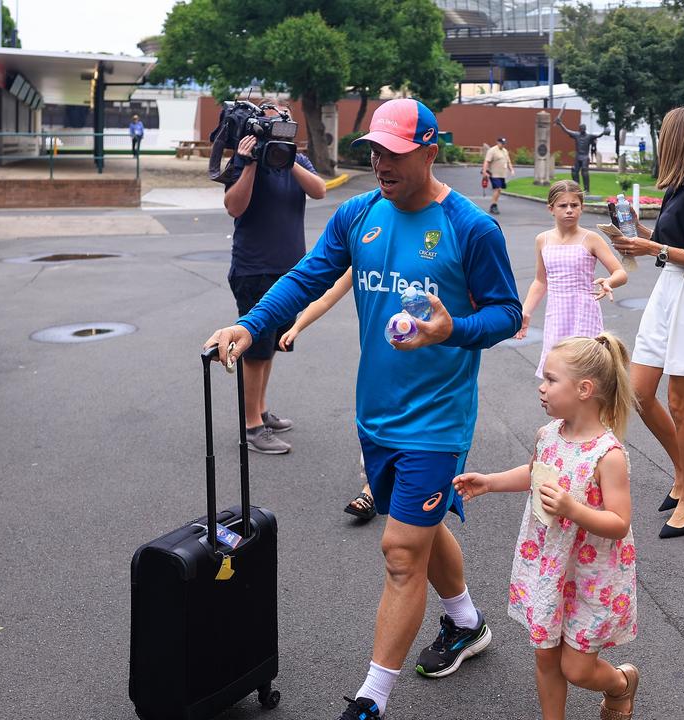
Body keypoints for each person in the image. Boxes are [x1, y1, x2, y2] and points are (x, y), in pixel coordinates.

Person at [203, 98, 522, 720]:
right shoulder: (359, 216)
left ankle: (371, 701)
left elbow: (507, 313)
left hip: (437, 418)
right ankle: (467, 623)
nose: (381, 162)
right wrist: (250, 323)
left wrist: (450, 330)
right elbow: (305, 277)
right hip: (375, 415)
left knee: (401, 552)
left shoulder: (471, 228)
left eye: (395, 153)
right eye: (374, 150)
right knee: (421, 530)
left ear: (430, 149)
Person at [453, 333, 641, 720]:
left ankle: (621, 684)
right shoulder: (548, 435)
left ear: (584, 389)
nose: (541, 387)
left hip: (590, 575)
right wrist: (491, 481)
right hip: (548, 565)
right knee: (545, 656)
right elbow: (535, 474)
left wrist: (574, 508)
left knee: (577, 668)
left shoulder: (609, 455)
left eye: (551, 380)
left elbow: (619, 522)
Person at [610, 106, 684, 539]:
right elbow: (673, 244)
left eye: (663, 134)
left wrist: (651, 249)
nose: (660, 141)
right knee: (639, 394)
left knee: (680, 402)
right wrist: (639, 232)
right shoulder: (680, 188)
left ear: (676, 139)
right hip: (669, 294)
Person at [222, 102, 328, 454]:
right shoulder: (244, 159)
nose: (278, 129)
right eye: (272, 125)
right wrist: (251, 163)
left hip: (291, 273)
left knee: (271, 349)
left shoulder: (296, 161)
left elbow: (319, 190)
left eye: (284, 124)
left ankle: (261, 410)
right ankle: (251, 426)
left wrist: (289, 156)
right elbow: (234, 206)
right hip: (254, 269)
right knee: (255, 350)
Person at [277, 269, 377, 521]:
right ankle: (373, 486)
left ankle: (395, 482)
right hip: (379, 365)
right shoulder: (368, 254)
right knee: (374, 423)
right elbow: (327, 296)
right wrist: (297, 325)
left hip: (426, 361)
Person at [516, 180, 628, 378]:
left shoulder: (591, 238)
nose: (569, 210)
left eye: (574, 205)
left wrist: (608, 282)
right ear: (551, 209)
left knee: (584, 371)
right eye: (563, 205)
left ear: (582, 208)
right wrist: (526, 311)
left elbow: (620, 273)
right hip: (556, 314)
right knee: (558, 373)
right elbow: (541, 281)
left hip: (584, 312)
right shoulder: (543, 239)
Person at [555, 111, 606, 194]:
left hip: (585, 157)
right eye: (581, 128)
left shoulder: (589, 136)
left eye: (583, 128)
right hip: (578, 156)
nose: (582, 130)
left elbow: (598, 135)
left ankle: (587, 189)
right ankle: (576, 188)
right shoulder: (576, 135)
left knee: (585, 172)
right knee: (574, 171)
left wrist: (604, 132)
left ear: (585, 129)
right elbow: (567, 131)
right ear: (579, 129)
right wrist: (560, 124)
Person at [482, 136, 514, 214]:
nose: (503, 145)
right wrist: (484, 171)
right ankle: (493, 205)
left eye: (504, 143)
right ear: (498, 142)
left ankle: (494, 204)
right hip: (494, 174)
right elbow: (487, 161)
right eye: (501, 143)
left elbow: (508, 161)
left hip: (502, 174)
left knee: (499, 190)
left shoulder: (505, 151)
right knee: (498, 189)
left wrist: (511, 169)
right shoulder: (492, 150)